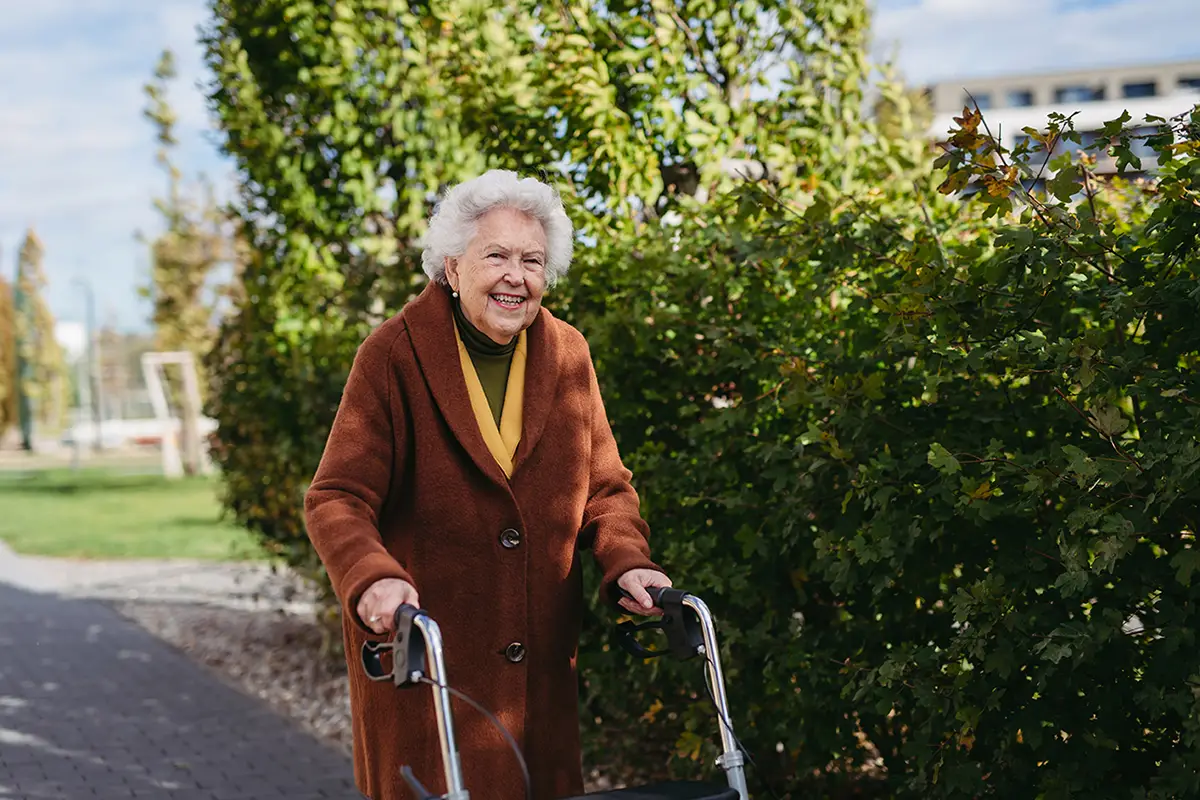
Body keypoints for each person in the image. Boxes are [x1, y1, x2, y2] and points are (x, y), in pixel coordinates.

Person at [303, 169, 673, 800]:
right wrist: (372, 576)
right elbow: (337, 495)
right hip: (431, 662)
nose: (515, 275)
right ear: (452, 267)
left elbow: (605, 489)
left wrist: (627, 560)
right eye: (495, 255)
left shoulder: (567, 354)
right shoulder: (393, 354)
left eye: (532, 260)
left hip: (539, 673)